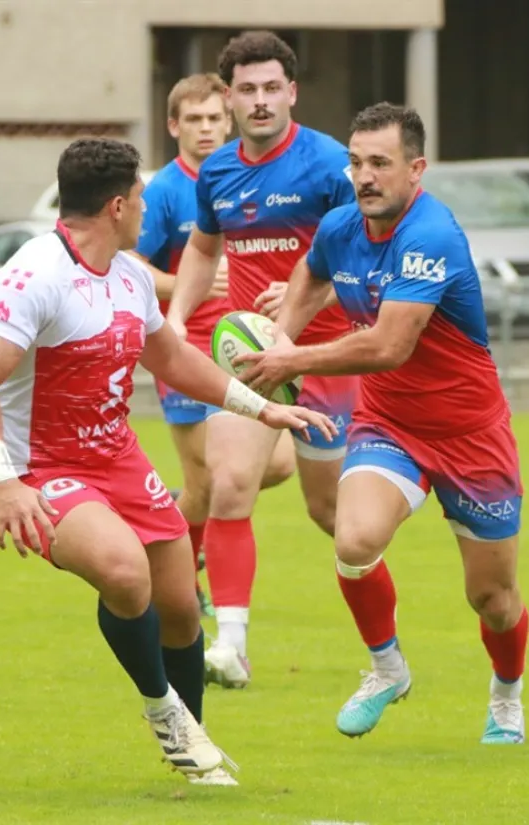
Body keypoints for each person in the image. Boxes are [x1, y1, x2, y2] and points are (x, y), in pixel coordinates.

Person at [0, 137, 336, 785]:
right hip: (40, 467)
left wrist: (259, 407)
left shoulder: (129, 275)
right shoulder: (34, 274)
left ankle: (196, 745)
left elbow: (173, 361)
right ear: (118, 204)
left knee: (181, 602)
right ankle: (165, 712)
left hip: (117, 457)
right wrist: (5, 482)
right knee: (127, 574)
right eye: (145, 199)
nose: (151, 211)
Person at [235, 103, 529, 745]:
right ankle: (386, 669)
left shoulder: (432, 236)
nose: (363, 176)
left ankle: (506, 695)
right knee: (353, 540)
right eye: (356, 162)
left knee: (494, 599)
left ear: (415, 169)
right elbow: (313, 271)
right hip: (389, 422)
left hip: (470, 433)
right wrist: (282, 322)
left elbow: (389, 345)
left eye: (379, 163)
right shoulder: (342, 226)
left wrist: (291, 355)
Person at [166, 30, 359, 689]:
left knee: (331, 514)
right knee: (228, 484)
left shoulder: (330, 164)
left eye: (272, 87)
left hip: (329, 357)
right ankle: (231, 645)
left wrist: (309, 289)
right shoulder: (218, 170)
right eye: (246, 89)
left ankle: (385, 651)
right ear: (230, 96)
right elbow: (201, 249)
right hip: (250, 359)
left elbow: (366, 255)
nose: (260, 100)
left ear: (292, 92)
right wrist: (173, 316)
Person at [131, 73, 295, 620]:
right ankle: (182, 578)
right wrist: (185, 288)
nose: (206, 129)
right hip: (185, 348)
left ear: (229, 121)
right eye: (194, 120)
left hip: (249, 345)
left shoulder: (246, 179)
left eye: (213, 119)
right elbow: (130, 261)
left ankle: (168, 528)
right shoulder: (166, 191)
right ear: (174, 126)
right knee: (207, 480)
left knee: (275, 467)